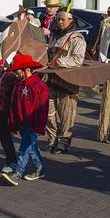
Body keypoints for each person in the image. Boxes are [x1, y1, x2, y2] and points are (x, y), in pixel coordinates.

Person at [2, 55, 49, 186]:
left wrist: (38, 127)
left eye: (17, 72)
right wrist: (13, 123)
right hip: (21, 122)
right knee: (31, 147)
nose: (16, 75)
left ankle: (17, 173)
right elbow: (14, 105)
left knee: (24, 149)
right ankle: (40, 168)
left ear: (26, 69)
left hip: (32, 124)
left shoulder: (39, 86)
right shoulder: (18, 85)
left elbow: (42, 109)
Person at [44, 8, 86, 154]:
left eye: (63, 19)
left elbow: (78, 59)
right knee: (48, 113)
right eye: (58, 19)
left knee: (66, 115)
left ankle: (64, 141)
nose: (60, 22)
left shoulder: (77, 38)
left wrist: (59, 62)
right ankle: (52, 139)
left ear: (70, 20)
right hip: (50, 80)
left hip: (68, 82)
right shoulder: (54, 35)